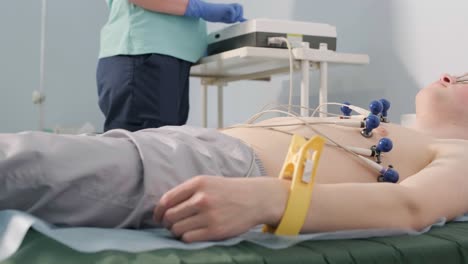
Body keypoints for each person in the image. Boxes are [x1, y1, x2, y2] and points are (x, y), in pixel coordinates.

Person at [1, 73, 468, 243]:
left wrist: (270, 199)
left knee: (23, 162)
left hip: (226, 169)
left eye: (466, 78)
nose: (450, 75)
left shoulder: (460, 154)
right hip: (199, 149)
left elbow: (412, 208)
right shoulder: (403, 133)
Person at [97, 0, 245, 132]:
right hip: (143, 56)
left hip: (165, 59)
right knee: (144, 148)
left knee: (163, 146)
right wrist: (197, 8)